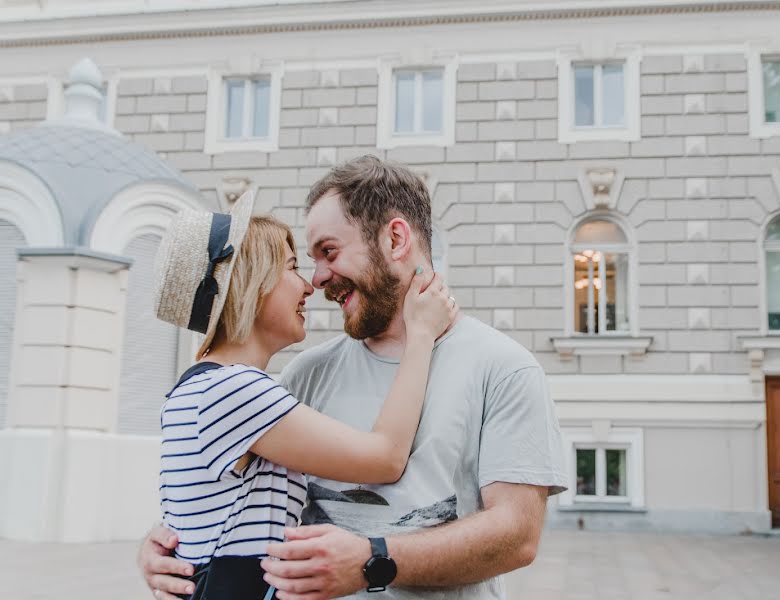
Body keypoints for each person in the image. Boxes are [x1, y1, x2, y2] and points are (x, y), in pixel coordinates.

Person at [140, 156, 567, 600]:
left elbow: (517, 536)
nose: (317, 279)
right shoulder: (300, 375)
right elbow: (236, 491)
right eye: (299, 264)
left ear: (396, 239)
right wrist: (169, 546)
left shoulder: (503, 367)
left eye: (329, 252)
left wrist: (371, 561)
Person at [150, 189, 456, 599]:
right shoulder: (233, 390)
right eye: (292, 267)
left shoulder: (203, 388)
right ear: (252, 284)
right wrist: (420, 335)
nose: (308, 286)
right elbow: (384, 458)